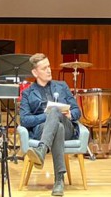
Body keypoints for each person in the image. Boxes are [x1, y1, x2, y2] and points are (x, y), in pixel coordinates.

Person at [19, 53, 81, 196]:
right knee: (55, 125)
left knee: (56, 113)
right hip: (43, 130)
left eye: (49, 66)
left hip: (67, 128)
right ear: (35, 72)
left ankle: (41, 150)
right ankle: (59, 180)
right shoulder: (28, 93)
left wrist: (71, 114)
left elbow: (77, 110)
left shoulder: (62, 86)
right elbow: (24, 120)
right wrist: (46, 116)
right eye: (44, 68)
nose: (49, 70)